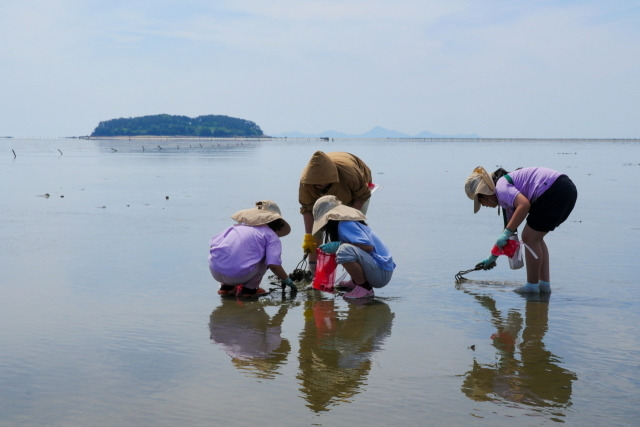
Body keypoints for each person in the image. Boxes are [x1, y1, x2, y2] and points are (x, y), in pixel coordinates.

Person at [465, 166, 578, 294]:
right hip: (566, 189)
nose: (483, 205)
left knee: (529, 238)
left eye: (480, 201)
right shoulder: (505, 199)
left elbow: (524, 205)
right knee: (536, 238)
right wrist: (493, 257)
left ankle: (532, 286)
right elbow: (509, 235)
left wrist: (506, 233)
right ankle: (544, 286)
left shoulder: (501, 188)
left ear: (485, 193)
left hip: (555, 190)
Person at [299, 151, 373, 272]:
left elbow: (362, 196)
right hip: (332, 192)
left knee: (349, 231)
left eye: (323, 182)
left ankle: (358, 273)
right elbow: (307, 209)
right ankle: (312, 269)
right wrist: (308, 238)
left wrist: (345, 222)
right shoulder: (306, 181)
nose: (320, 184)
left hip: (358, 191)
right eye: (316, 184)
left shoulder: (350, 174)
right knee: (316, 232)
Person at [311, 195, 395, 299]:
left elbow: (368, 247)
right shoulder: (343, 224)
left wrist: (338, 245)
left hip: (381, 273)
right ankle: (356, 281)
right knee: (345, 249)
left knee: (344, 250)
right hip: (379, 269)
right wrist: (320, 279)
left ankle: (364, 288)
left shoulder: (345, 224)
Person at [208, 200, 296, 298]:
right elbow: (274, 265)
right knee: (266, 257)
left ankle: (226, 288)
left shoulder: (235, 227)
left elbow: (213, 245)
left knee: (233, 253)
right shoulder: (270, 236)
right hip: (239, 275)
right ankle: (249, 290)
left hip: (215, 270)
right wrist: (287, 280)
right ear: (277, 223)